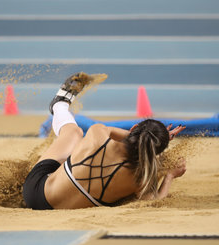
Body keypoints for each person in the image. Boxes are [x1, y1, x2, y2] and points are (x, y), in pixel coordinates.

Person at [23, 72, 186, 210]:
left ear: (134, 127)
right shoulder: (143, 177)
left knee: (74, 132)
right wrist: (170, 175)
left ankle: (59, 105)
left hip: (35, 191)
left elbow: (122, 135)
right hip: (51, 208)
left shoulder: (98, 134)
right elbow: (154, 201)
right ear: (156, 151)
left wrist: (148, 137)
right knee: (78, 156)